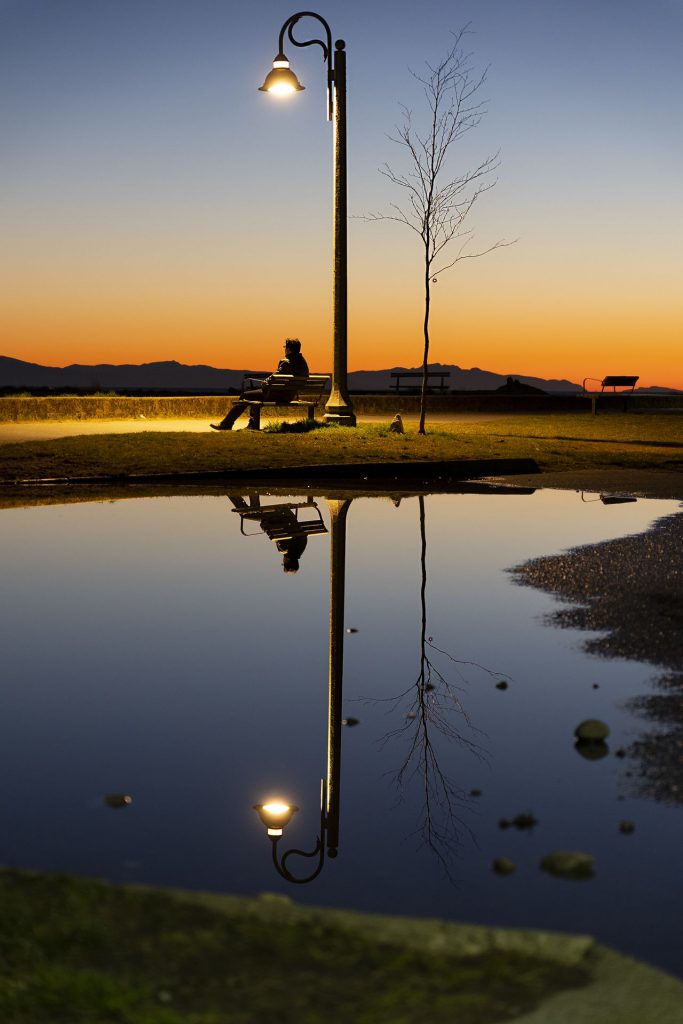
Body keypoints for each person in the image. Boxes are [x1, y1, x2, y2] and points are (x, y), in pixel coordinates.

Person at [211, 338, 309, 430]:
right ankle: (251, 424)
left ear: (288, 350)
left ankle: (227, 424)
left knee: (246, 395)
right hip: (289, 396)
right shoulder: (303, 363)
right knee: (255, 395)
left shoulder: (286, 362)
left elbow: (273, 379)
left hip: (275, 395)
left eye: (285, 348)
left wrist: (264, 384)